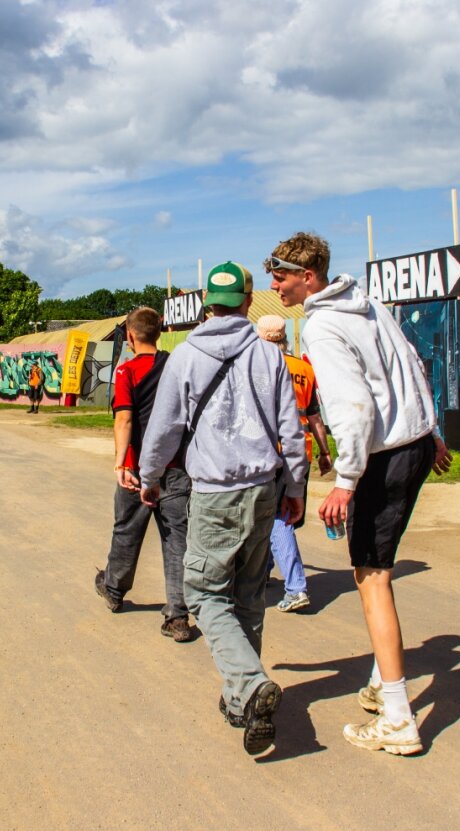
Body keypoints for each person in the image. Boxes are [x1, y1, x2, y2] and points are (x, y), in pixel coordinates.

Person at [267, 232, 451, 756]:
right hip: (412, 444)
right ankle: (378, 680)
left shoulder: (323, 325)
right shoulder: (368, 302)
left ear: (308, 276)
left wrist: (345, 482)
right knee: (380, 568)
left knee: (371, 577)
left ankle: (398, 718)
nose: (274, 285)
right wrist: (431, 431)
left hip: (384, 455)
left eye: (280, 275)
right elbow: (414, 366)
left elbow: (352, 408)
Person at [138, 261, 307, 756]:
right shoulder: (269, 355)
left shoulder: (185, 356)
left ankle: (250, 685)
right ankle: (241, 702)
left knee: (206, 594)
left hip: (212, 491)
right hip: (262, 490)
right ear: (249, 303)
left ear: (206, 304)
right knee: (250, 594)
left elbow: (165, 428)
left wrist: (149, 479)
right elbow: (289, 432)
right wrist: (295, 488)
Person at [94, 307, 193, 642]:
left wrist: (121, 463)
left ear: (131, 336)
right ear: (160, 332)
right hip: (176, 467)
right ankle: (178, 617)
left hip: (137, 467)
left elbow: (124, 419)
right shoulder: (174, 367)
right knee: (176, 539)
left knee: (127, 529)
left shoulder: (126, 371)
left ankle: (113, 589)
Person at [254, 314, 333, 612]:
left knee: (276, 518)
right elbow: (315, 417)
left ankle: (295, 587)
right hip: (302, 453)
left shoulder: (261, 367)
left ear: (261, 337)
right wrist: (326, 454)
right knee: (281, 515)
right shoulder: (304, 369)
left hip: (271, 454)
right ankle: (263, 572)